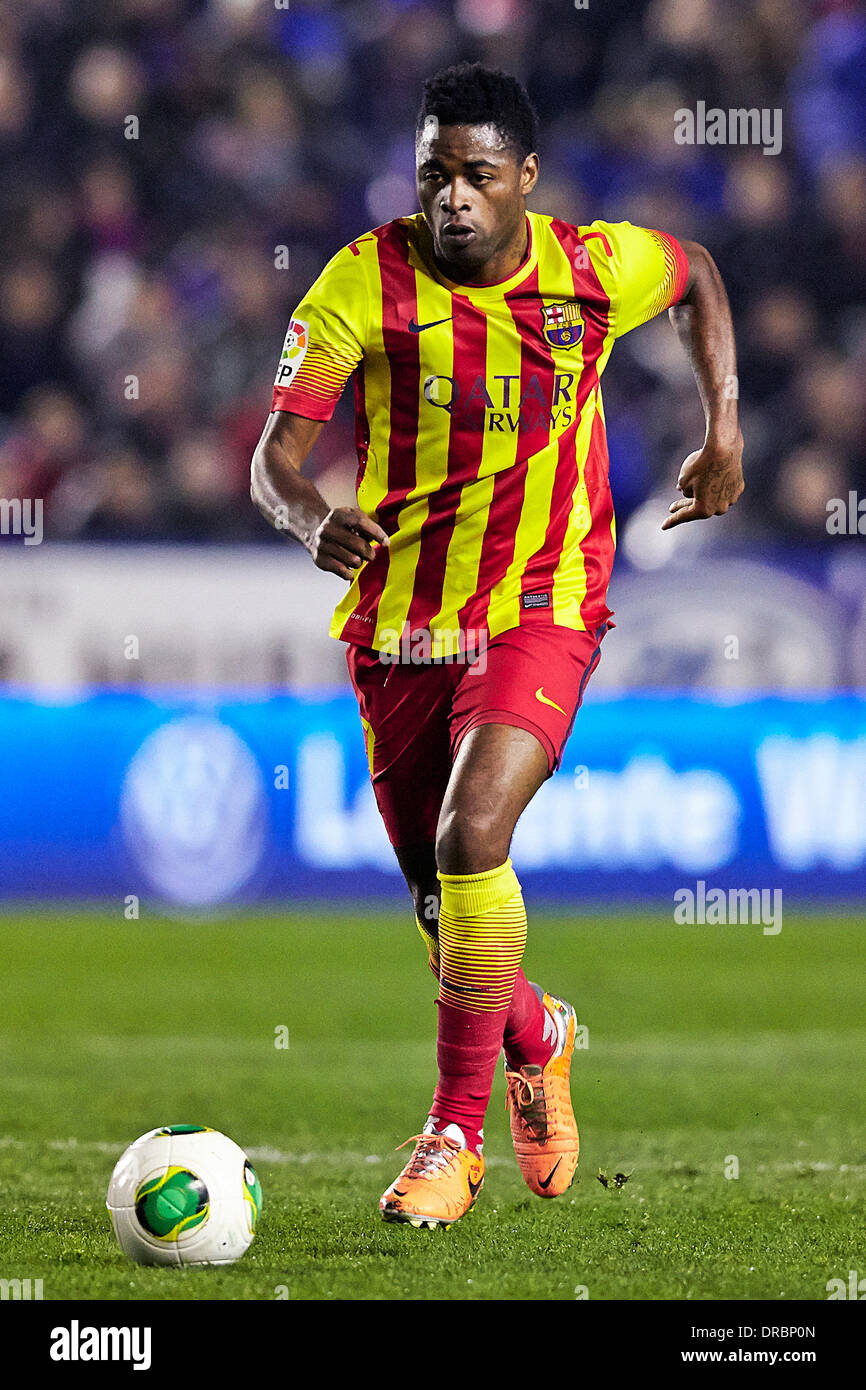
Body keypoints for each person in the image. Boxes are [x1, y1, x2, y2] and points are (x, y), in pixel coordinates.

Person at [250, 62, 744, 1229]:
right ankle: (539, 1033)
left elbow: (700, 275)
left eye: (476, 175)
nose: (453, 198)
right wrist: (312, 515)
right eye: (434, 175)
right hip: (403, 619)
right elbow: (275, 456)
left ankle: (449, 1137)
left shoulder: (591, 269)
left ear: (523, 178)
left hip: (542, 600)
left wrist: (723, 424)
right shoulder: (358, 284)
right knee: (443, 907)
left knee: (474, 833)